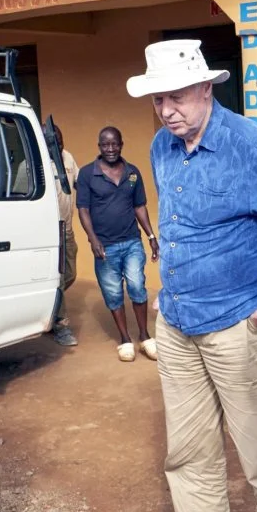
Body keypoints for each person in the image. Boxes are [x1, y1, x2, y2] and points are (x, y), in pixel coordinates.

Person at [125, 38, 257, 512]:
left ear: (206, 88)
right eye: (157, 100)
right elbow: (180, 225)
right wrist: (171, 290)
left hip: (240, 326)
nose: (166, 111)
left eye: (177, 97)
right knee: (187, 456)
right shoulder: (163, 145)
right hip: (178, 327)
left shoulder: (250, 145)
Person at [75, 126, 159, 361]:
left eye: (114, 144)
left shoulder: (132, 172)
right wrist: (92, 239)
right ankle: (124, 339)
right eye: (105, 144)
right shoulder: (87, 174)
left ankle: (144, 336)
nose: (110, 149)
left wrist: (151, 236)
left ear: (121, 144)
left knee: (137, 286)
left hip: (132, 241)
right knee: (113, 292)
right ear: (99, 146)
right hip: (105, 246)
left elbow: (139, 206)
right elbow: (83, 209)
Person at [50, 124, 81, 346]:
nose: (59, 146)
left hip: (67, 229)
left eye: (60, 141)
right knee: (59, 279)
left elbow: (79, 182)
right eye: (54, 142)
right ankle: (60, 325)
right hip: (49, 232)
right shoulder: (33, 162)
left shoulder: (67, 157)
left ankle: (50, 306)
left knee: (70, 273)